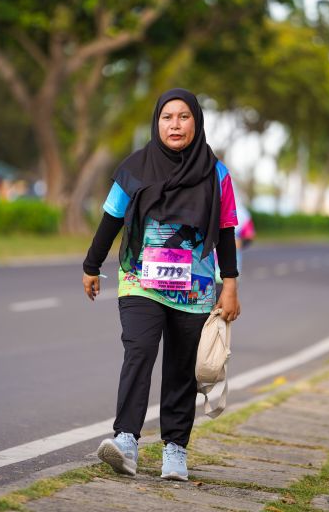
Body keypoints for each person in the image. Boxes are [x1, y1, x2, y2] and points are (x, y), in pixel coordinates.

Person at [82, 88, 240, 482]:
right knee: (139, 350)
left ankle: (175, 448)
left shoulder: (216, 173)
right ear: (157, 122)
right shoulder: (135, 167)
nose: (175, 124)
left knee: (181, 367)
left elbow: (225, 230)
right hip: (140, 280)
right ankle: (126, 440)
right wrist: (91, 265)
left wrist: (230, 284)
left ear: (196, 122)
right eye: (167, 117)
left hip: (195, 289)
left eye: (184, 116)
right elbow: (111, 219)